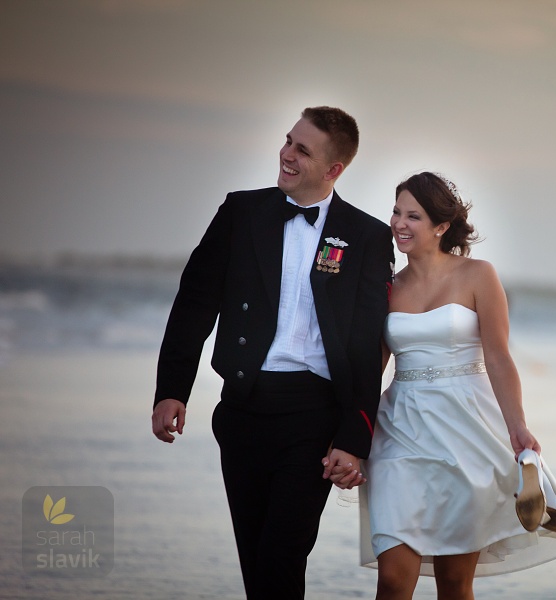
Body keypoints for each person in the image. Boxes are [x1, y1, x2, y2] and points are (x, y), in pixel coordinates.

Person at [151, 106, 394, 599]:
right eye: (288, 141)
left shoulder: (366, 236)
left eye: (302, 150)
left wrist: (354, 435)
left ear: (333, 170)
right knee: (255, 555)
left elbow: (369, 346)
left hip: (313, 418)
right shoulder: (241, 212)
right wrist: (172, 389)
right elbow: (195, 301)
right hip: (242, 408)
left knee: (283, 552)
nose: (286, 154)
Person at [360, 172, 556, 600]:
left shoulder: (479, 275)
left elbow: (499, 357)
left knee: (454, 582)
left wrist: (518, 427)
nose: (399, 224)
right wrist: (348, 433)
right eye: (396, 212)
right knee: (391, 579)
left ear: (441, 227)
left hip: (467, 432)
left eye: (414, 216)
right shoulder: (386, 286)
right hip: (399, 431)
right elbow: (372, 367)